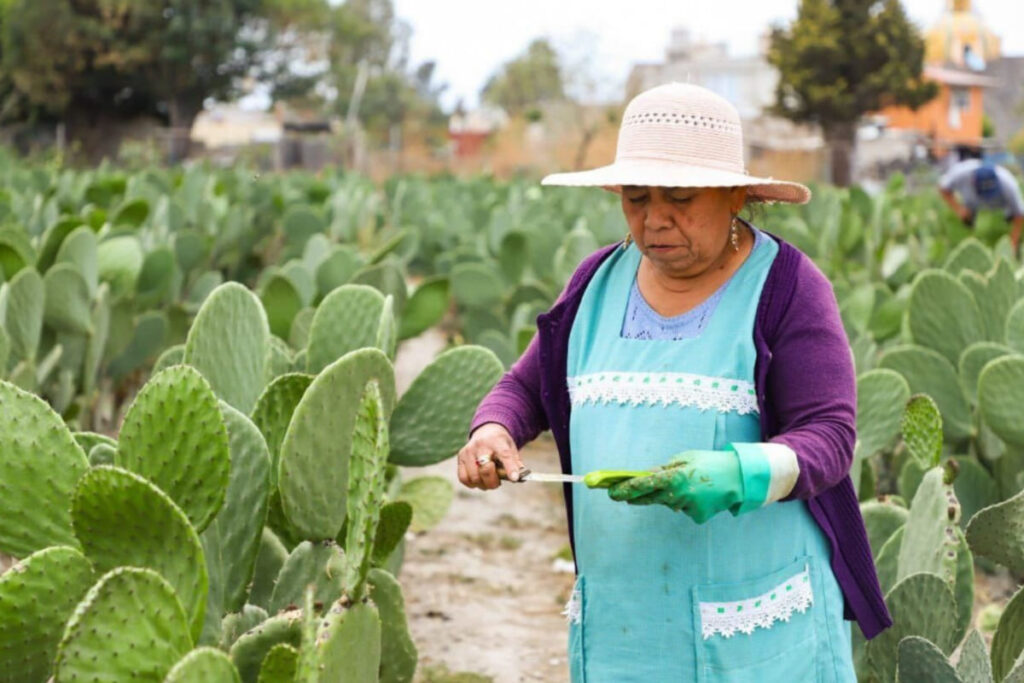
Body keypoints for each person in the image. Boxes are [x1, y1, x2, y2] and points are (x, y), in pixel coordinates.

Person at [456, 83, 891, 682]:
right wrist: (493, 429)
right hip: (623, 626)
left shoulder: (788, 288)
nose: (654, 219)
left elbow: (831, 436)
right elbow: (527, 386)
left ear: (735, 195)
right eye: (636, 198)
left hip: (753, 631)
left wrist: (740, 473)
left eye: (681, 197)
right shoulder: (595, 284)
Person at [939, 154, 1024, 251]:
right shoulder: (960, 173)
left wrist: (1013, 242)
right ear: (973, 181)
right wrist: (958, 209)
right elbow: (943, 188)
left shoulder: (1008, 184)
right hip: (970, 211)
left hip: (1001, 214)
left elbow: (1019, 214)